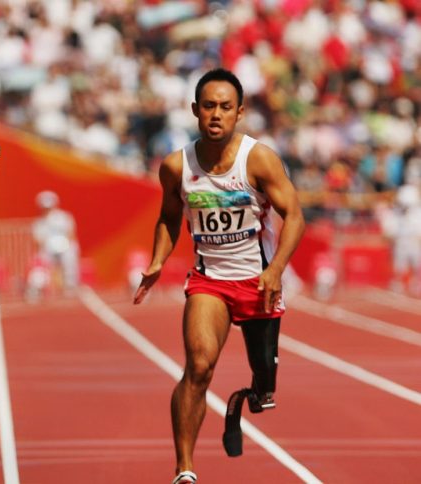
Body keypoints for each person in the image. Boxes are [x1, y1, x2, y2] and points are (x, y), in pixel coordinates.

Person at [133, 68, 305, 484]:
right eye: (208, 106)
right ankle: (184, 469)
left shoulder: (258, 159)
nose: (216, 115)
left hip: (259, 281)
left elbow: (295, 216)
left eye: (226, 107)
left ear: (240, 112)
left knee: (265, 386)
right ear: (195, 110)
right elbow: (168, 219)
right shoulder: (176, 167)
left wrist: (277, 269)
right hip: (210, 281)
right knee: (199, 366)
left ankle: (248, 396)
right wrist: (158, 260)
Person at [25, 190, 80, 301]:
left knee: (70, 255)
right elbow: (38, 240)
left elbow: (71, 233)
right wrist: (50, 246)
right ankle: (39, 285)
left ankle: (70, 285)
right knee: (40, 260)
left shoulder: (64, 217)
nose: (47, 209)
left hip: (65, 246)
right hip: (48, 249)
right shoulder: (39, 223)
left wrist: (63, 244)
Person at [377, 183, 421, 294]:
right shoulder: (396, 213)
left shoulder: (417, 212)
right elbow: (391, 229)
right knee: (399, 265)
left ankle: (417, 281)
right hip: (401, 242)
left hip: (414, 241)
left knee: (416, 263)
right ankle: (399, 281)